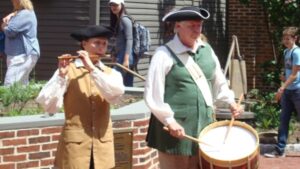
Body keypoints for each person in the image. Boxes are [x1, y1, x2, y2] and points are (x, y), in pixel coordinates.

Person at [144, 6, 243, 169]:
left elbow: (219, 81)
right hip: (175, 130)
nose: (197, 30)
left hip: (205, 126)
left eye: (199, 25)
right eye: (191, 25)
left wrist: (231, 102)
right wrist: (169, 121)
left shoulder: (208, 50)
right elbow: (153, 94)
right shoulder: (163, 54)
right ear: (177, 26)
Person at [36, 25, 125, 169]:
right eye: (97, 43)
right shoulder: (67, 70)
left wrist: (92, 69)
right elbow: (49, 106)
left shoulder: (111, 73)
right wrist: (61, 76)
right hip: (74, 147)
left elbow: (115, 95)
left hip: (102, 145)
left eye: (104, 44)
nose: (101, 47)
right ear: (84, 44)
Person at [264, 26, 300, 158]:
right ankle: (280, 150)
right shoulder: (286, 52)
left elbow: (295, 74)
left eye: (288, 38)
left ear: (295, 38)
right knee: (283, 120)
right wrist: (284, 77)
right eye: (284, 38)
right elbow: (289, 71)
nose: (285, 41)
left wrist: (282, 87)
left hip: (297, 90)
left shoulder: (297, 52)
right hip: (287, 91)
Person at [1, 0, 40, 86]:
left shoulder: (25, 14)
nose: (13, 2)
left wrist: (3, 26)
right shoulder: (24, 13)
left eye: (14, 1)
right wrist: (12, 14)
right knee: (21, 86)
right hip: (21, 55)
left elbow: (10, 31)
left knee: (9, 85)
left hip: (22, 55)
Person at [109, 0, 135, 86]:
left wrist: (126, 60)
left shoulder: (124, 19)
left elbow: (129, 39)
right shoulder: (118, 20)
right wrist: (114, 53)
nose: (113, 7)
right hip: (120, 56)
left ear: (122, 5)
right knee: (127, 85)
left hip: (125, 58)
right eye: (111, 5)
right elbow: (118, 40)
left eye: (116, 5)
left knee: (114, 82)